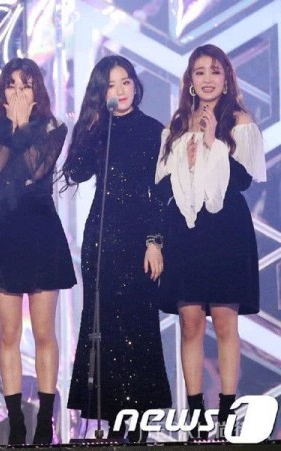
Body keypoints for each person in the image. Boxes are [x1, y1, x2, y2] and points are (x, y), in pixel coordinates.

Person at [155, 44, 266, 439]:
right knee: (189, 323)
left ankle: (227, 416)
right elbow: (161, 187)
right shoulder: (175, 126)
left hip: (226, 231)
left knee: (224, 321)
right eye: (199, 71)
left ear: (226, 78)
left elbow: (244, 181)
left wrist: (214, 138)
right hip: (184, 231)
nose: (207, 79)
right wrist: (186, 160)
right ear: (190, 80)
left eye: (214, 71)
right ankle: (198, 418)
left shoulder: (240, 121)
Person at [62, 55, 171, 442]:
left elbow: (161, 193)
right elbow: (76, 171)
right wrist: (88, 127)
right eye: (111, 85)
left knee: (137, 327)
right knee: (102, 326)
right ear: (101, 92)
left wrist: (154, 241)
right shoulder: (98, 129)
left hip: (138, 239)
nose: (121, 91)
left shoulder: (153, 130)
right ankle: (112, 420)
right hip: (101, 239)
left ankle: (138, 422)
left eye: (126, 82)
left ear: (135, 85)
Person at [0, 57, 76, 445]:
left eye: (26, 85)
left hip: (40, 231)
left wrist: (21, 128)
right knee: (8, 332)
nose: (18, 92)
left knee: (44, 331)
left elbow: (36, 170)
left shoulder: (53, 128)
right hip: (4, 230)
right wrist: (11, 129)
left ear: (38, 91)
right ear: (1, 91)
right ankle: (16, 419)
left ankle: (46, 419)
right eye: (12, 85)